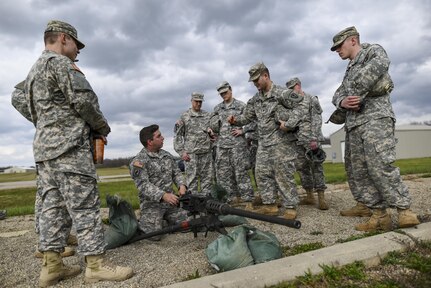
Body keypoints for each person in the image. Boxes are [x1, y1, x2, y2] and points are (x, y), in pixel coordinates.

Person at [12, 20, 133, 286]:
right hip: (70, 150)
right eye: (76, 45)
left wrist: (47, 123)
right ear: (64, 39)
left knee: (52, 208)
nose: (78, 51)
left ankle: (52, 267)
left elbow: (20, 102)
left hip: (45, 152)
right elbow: (85, 101)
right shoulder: (61, 64)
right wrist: (102, 127)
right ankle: (96, 266)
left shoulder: (33, 72)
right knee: (85, 207)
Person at [330, 26, 419, 231]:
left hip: (375, 119)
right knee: (358, 171)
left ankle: (404, 210)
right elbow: (336, 94)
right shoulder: (350, 69)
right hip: (353, 124)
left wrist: (350, 92)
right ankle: (379, 215)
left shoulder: (373, 52)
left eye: (339, 46)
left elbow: (377, 69)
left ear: (353, 40)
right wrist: (342, 101)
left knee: (381, 165)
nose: (337, 51)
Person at [228, 62, 306, 219]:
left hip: (281, 143)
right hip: (263, 144)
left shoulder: (282, 93)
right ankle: (270, 205)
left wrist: (289, 124)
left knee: (283, 175)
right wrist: (235, 120)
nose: (256, 84)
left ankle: (290, 207)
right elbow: (247, 117)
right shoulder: (255, 99)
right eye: (253, 81)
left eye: (257, 80)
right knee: (262, 173)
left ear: (266, 76)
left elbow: (302, 106)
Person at [11, 80, 77, 258]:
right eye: (76, 49)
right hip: (50, 145)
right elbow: (17, 95)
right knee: (47, 193)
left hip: (60, 143)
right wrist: (43, 120)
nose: (77, 52)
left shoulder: (63, 69)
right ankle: (45, 243)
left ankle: (59, 236)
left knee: (61, 193)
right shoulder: (46, 69)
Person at [129, 125, 190, 239]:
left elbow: (176, 173)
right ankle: (147, 221)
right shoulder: (138, 161)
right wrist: (163, 195)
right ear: (150, 142)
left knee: (188, 225)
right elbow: (143, 185)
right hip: (152, 205)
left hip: (172, 203)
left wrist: (182, 185)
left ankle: (167, 222)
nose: (163, 137)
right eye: (159, 136)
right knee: (154, 236)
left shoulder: (166, 155)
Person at [286, 77, 328, 210]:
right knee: (302, 168)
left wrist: (314, 138)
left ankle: (321, 197)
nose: (292, 91)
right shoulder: (291, 103)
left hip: (311, 140)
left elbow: (316, 119)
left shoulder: (311, 99)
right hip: (297, 141)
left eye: (293, 88)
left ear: (298, 85)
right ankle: (310, 195)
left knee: (316, 167)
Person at [210, 81, 254, 206]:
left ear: (230, 89)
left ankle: (248, 200)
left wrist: (243, 130)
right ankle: (230, 200)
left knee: (241, 173)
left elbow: (252, 121)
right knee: (224, 175)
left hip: (237, 146)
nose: (223, 95)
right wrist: (212, 130)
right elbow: (212, 125)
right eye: (221, 94)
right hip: (222, 146)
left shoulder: (240, 106)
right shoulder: (217, 109)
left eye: (225, 92)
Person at [174, 92, 215, 195]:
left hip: (206, 153)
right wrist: (181, 152)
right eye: (196, 101)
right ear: (191, 101)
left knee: (207, 181)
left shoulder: (207, 115)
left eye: (200, 102)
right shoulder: (185, 116)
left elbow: (214, 134)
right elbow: (178, 136)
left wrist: (212, 133)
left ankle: (207, 205)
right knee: (192, 181)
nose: (198, 104)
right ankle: (195, 206)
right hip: (191, 155)